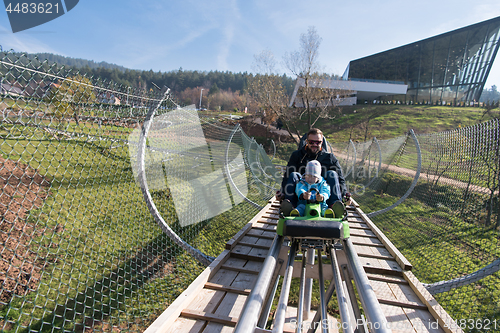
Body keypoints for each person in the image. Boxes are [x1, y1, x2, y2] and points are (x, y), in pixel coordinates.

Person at [277, 128, 350, 218]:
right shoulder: (297, 155)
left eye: (318, 142)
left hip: (323, 192)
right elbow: (288, 175)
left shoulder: (329, 158)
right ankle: (290, 205)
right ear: (307, 142)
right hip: (302, 192)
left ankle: (334, 206)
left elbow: (340, 178)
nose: (315, 145)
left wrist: (345, 194)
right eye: (312, 142)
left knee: (333, 174)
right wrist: (282, 192)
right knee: (293, 174)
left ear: (321, 142)